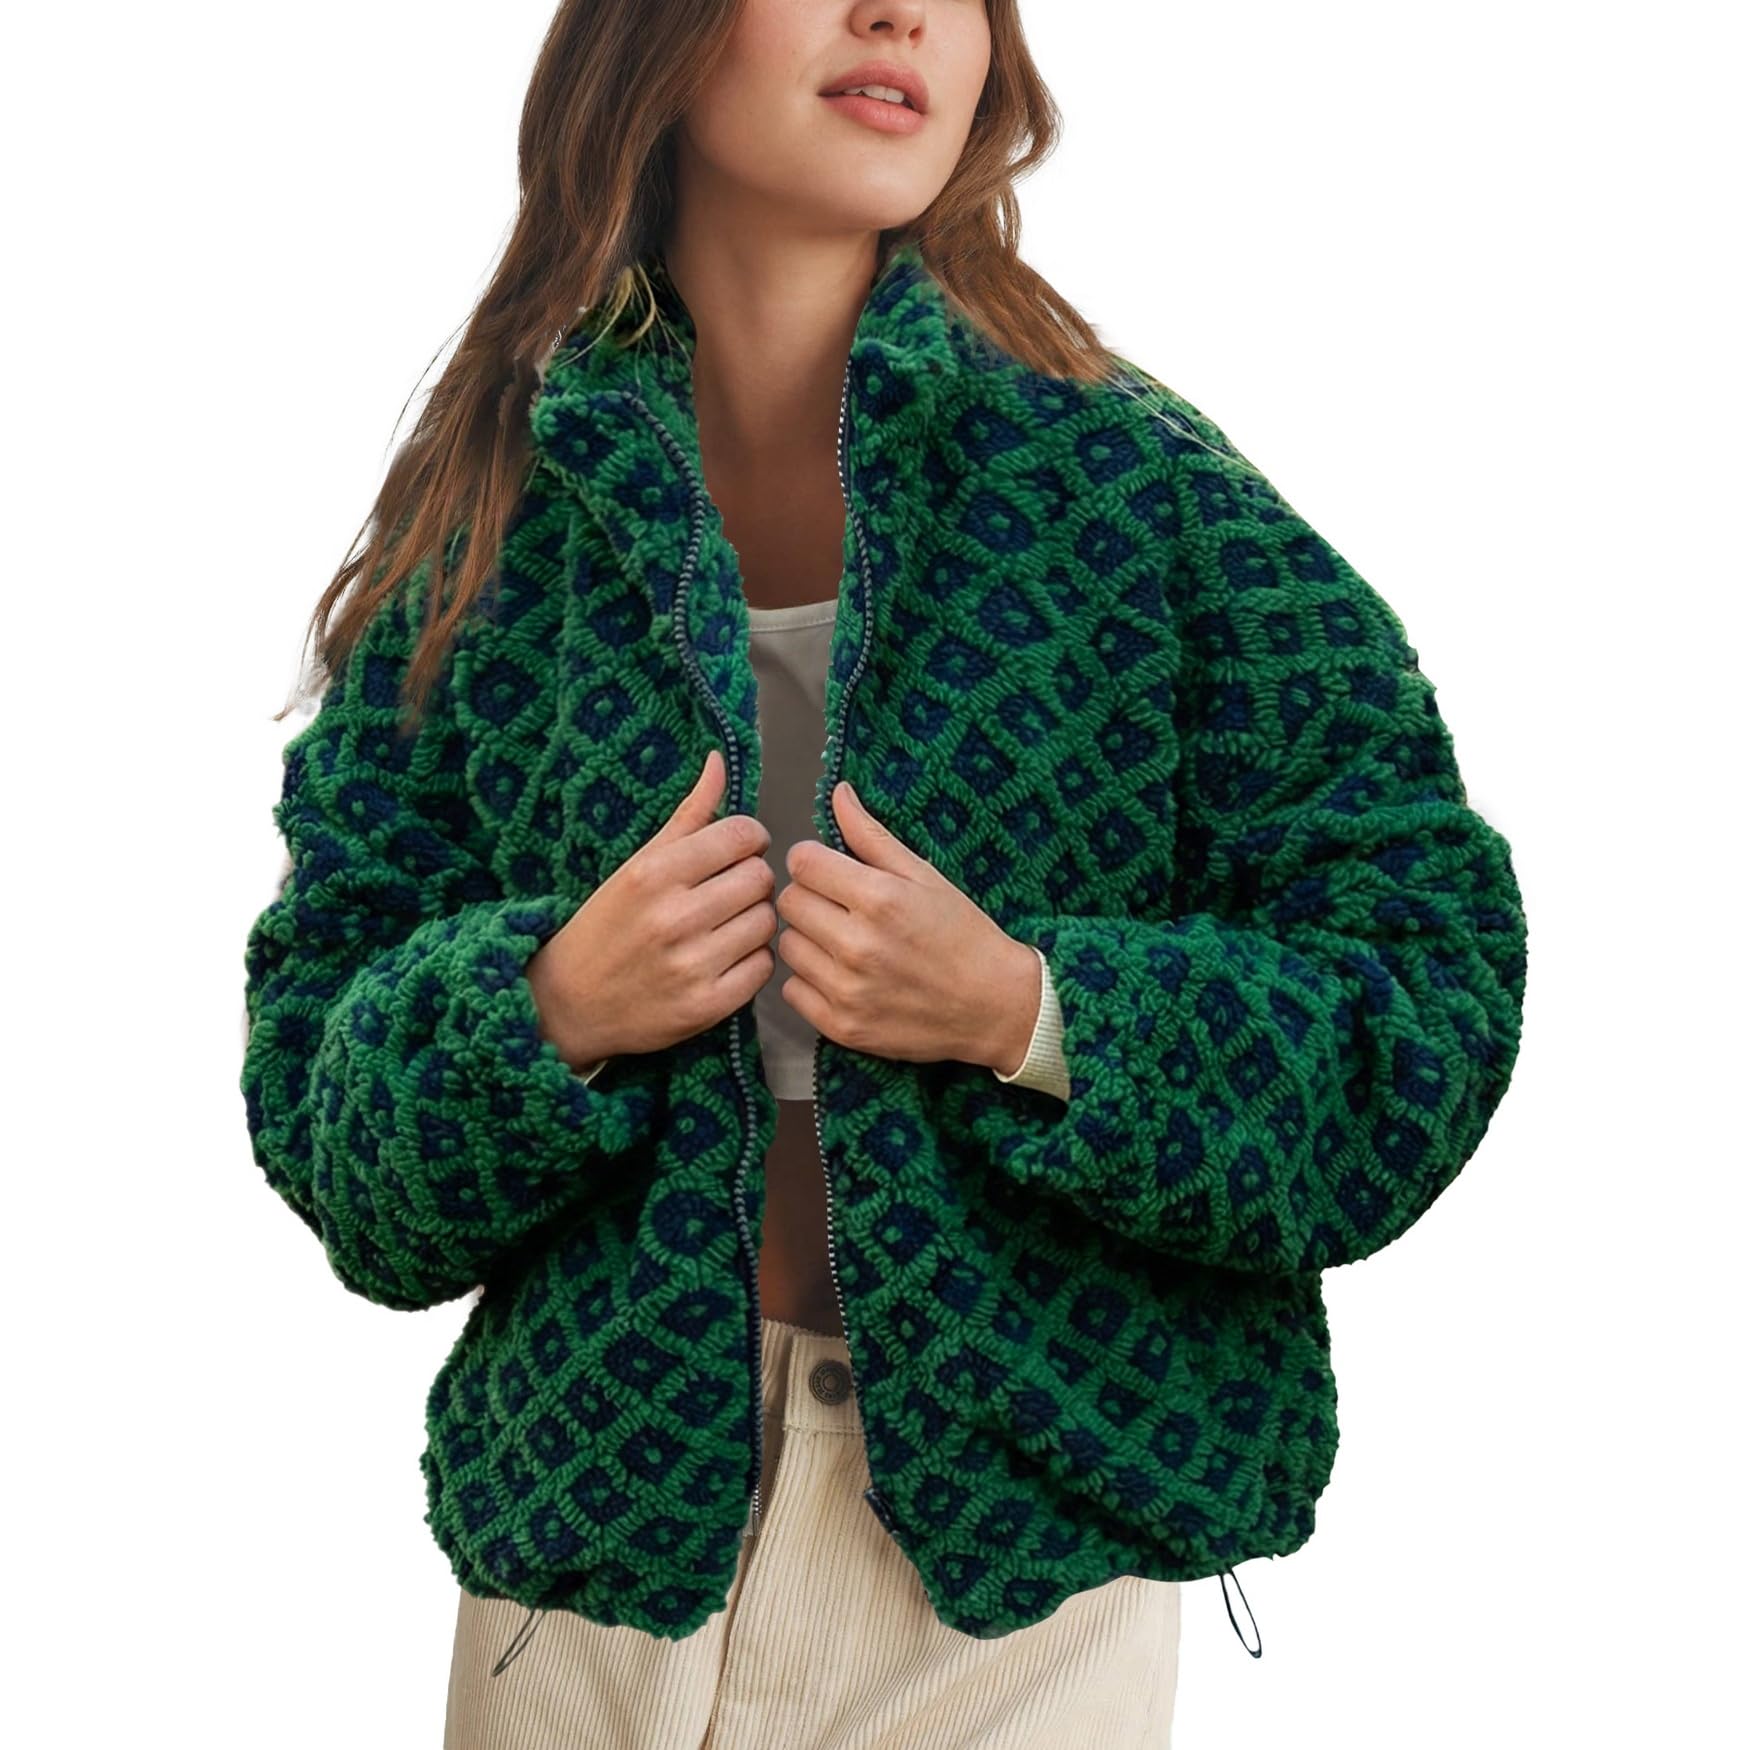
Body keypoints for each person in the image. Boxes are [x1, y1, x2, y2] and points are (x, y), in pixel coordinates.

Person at [238, 2, 1528, 1745]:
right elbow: (329, 1124)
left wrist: (1032, 1011)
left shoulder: (1145, 507)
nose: (898, 11)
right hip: (588, 1576)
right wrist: (543, 1009)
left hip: (1016, 1589)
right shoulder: (490, 534)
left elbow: (1423, 1000)